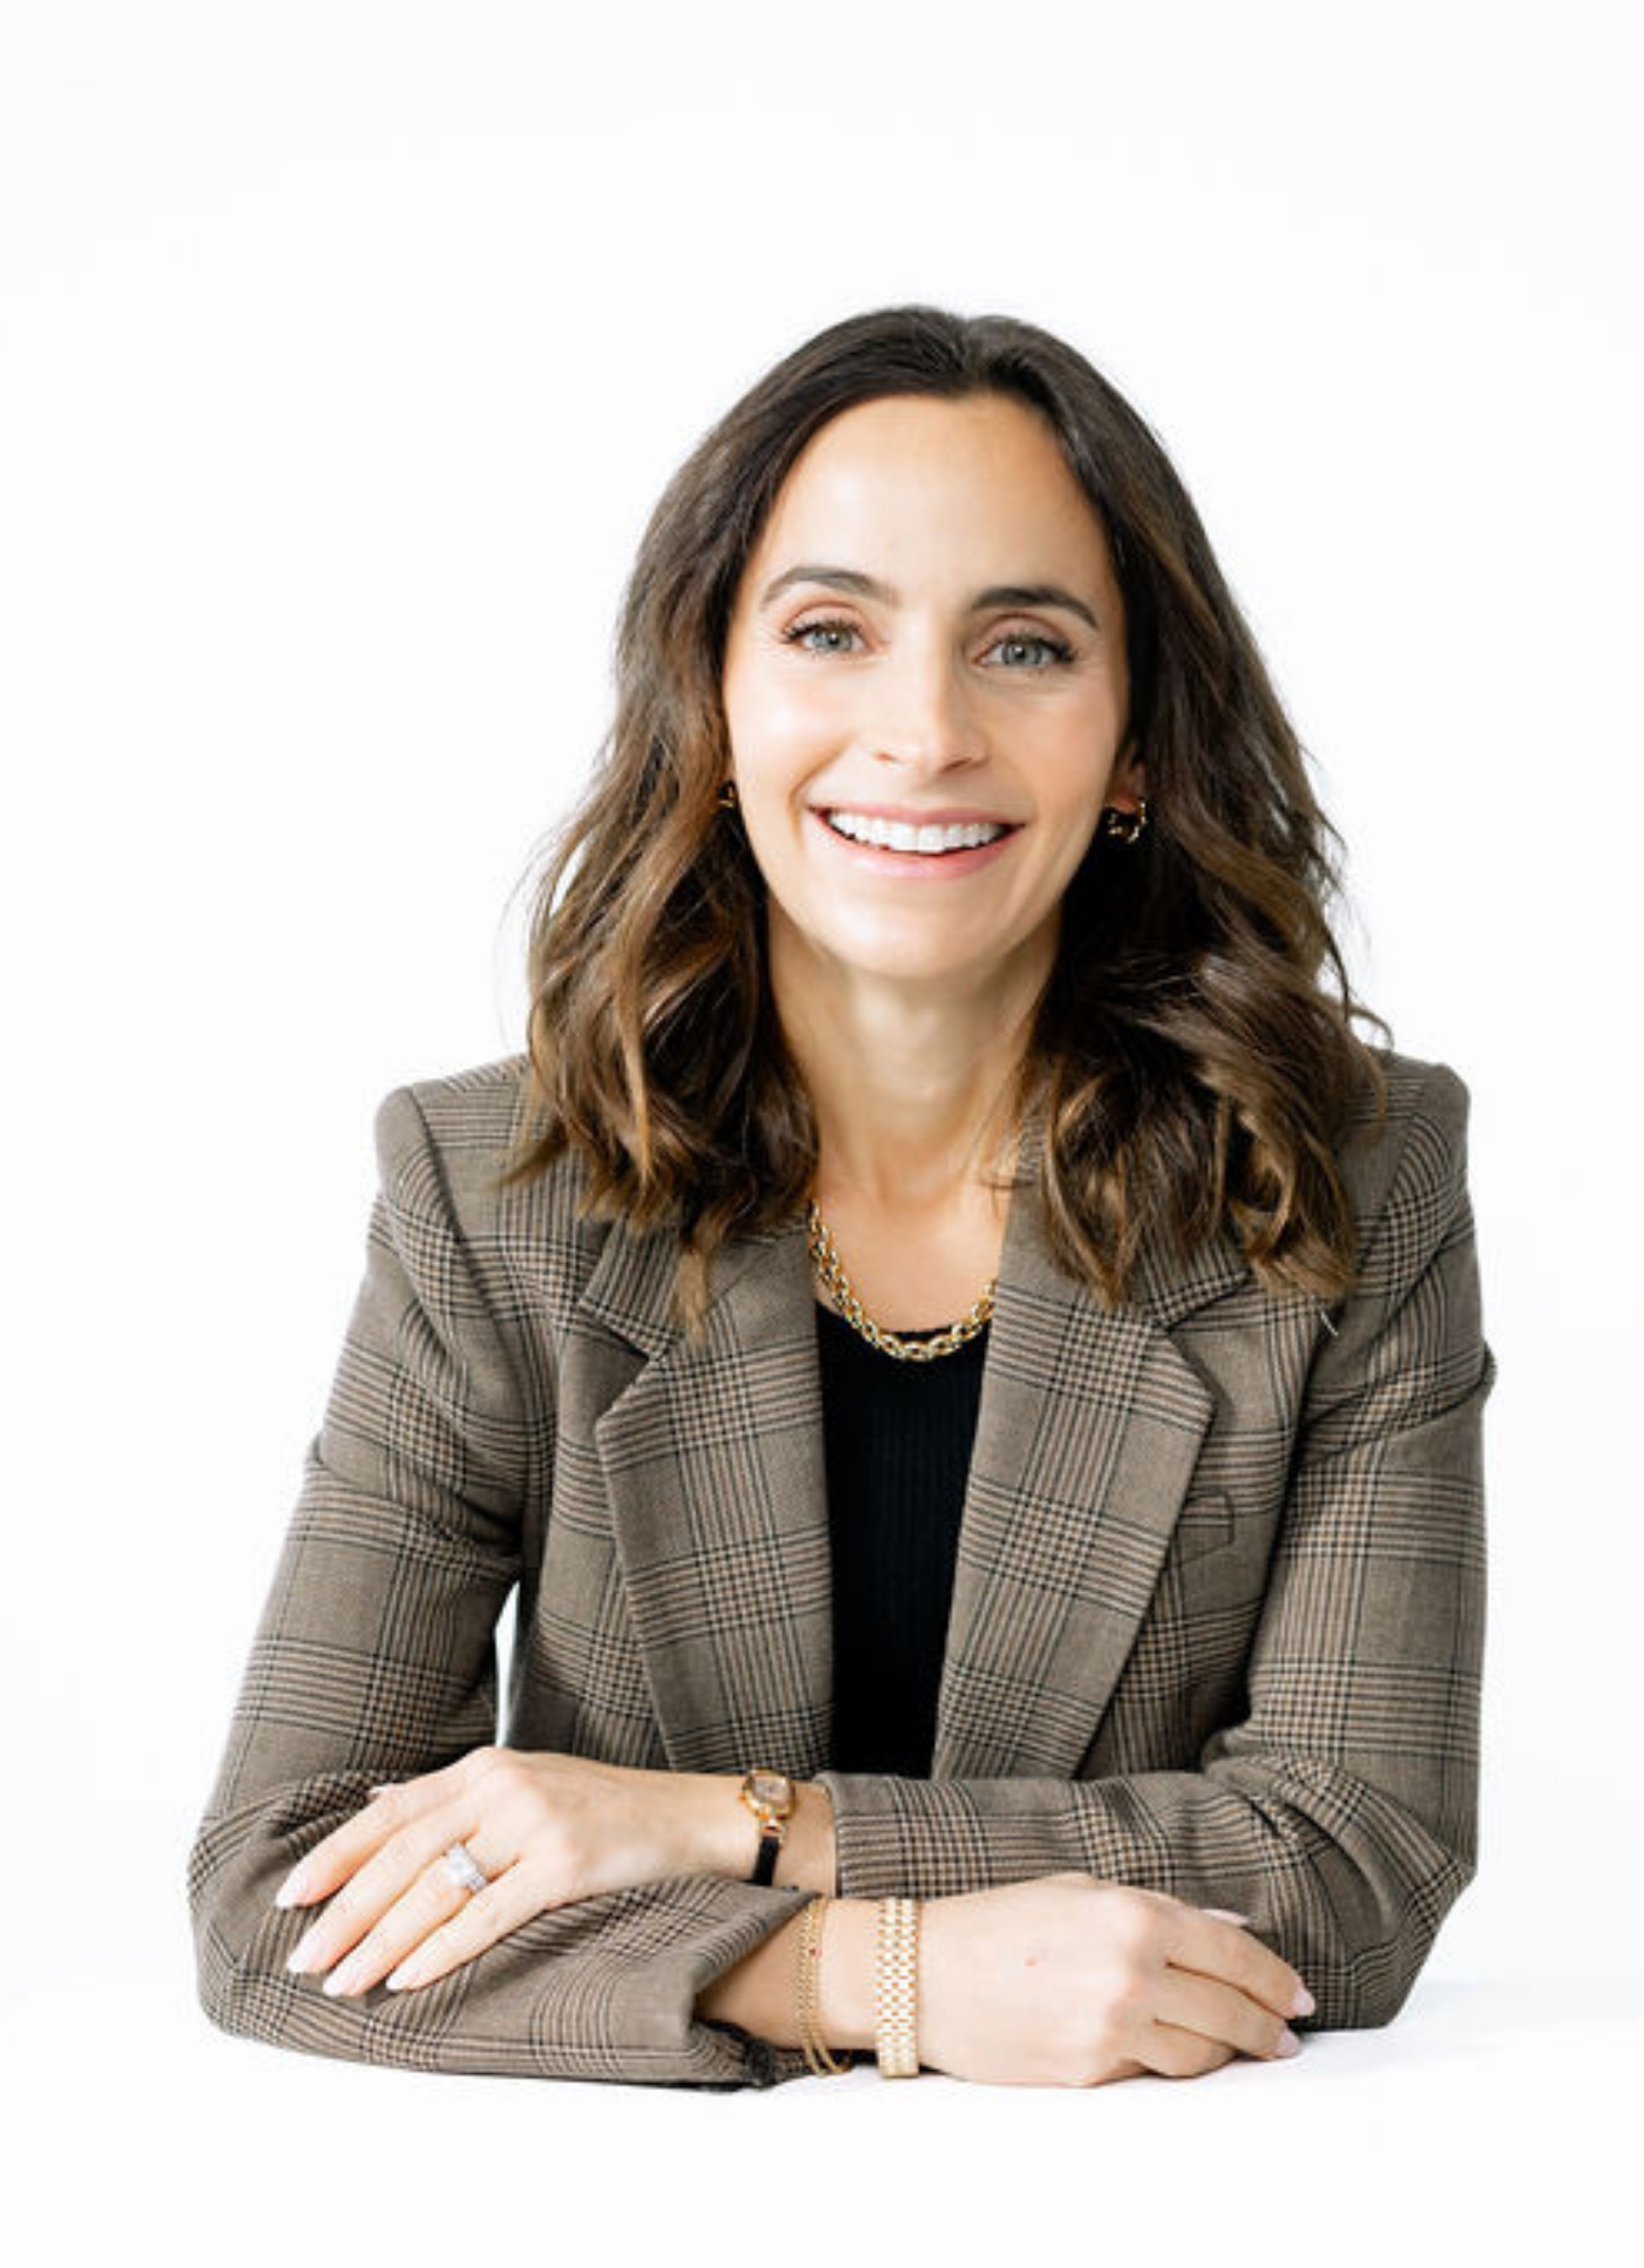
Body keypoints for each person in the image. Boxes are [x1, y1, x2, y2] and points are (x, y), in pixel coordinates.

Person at [187, 304, 1495, 2091]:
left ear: (1135, 745)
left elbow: (1351, 1865)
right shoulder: (492, 1196)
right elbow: (281, 1895)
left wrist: (750, 1827)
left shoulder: (1348, 1177)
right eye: (830, 631)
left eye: (1024, 646)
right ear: (714, 703)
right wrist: (873, 1976)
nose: (924, 730)